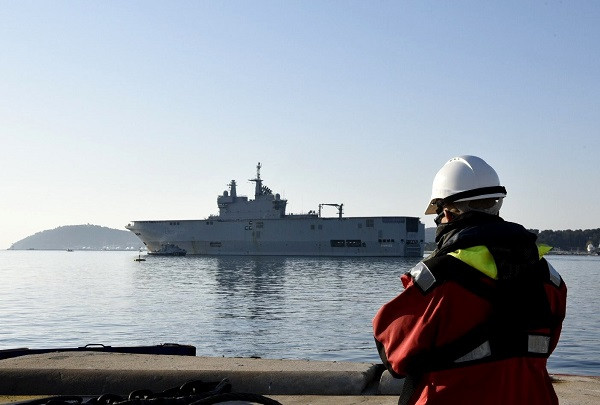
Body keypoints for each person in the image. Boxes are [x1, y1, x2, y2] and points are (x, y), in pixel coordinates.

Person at [373, 155, 567, 405]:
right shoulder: (550, 280)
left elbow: (394, 354)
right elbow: (542, 348)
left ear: (447, 213)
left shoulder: (439, 280)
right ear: (496, 207)